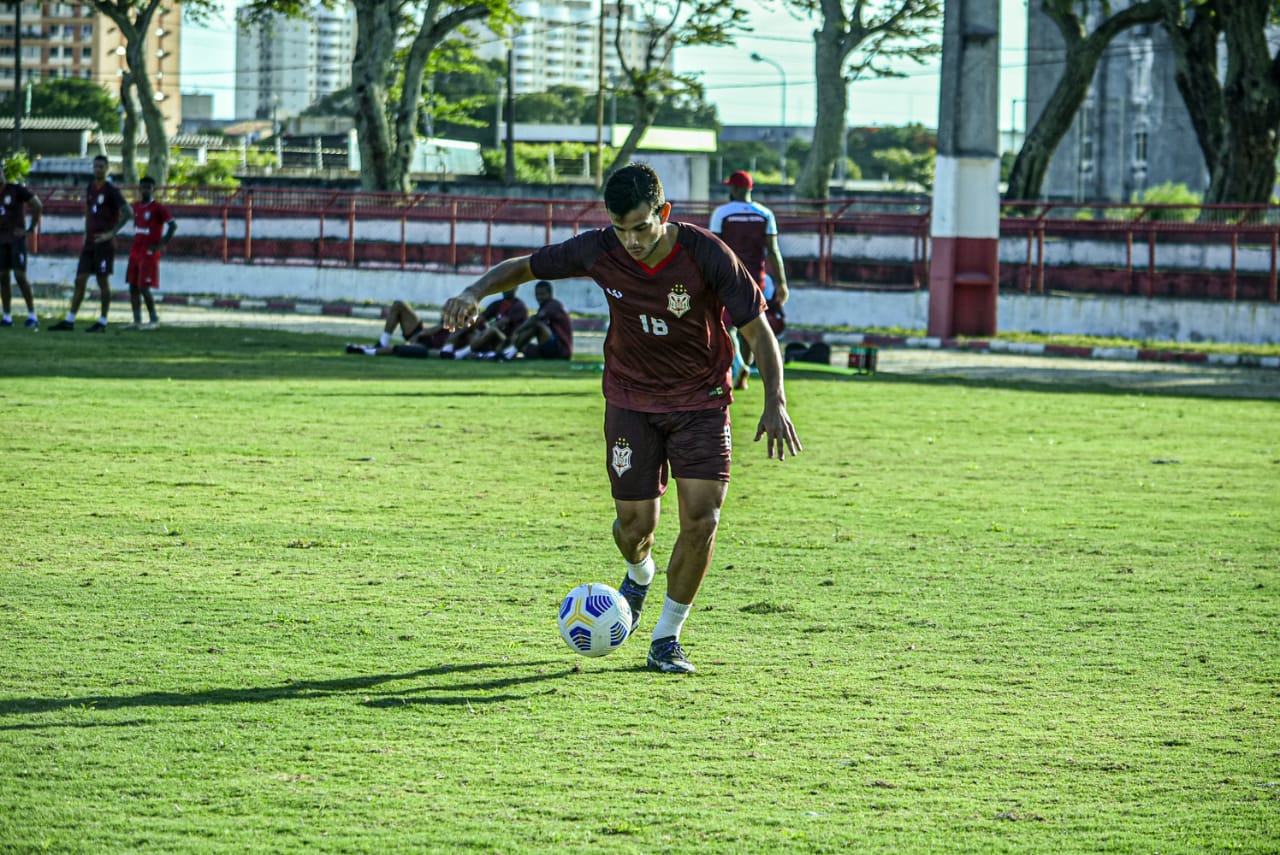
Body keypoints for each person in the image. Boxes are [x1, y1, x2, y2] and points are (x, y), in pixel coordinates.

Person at [442, 162, 801, 674]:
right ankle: (639, 573)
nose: (631, 241)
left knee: (703, 520)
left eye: (641, 227)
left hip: (700, 402)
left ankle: (666, 638)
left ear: (664, 212)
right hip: (631, 401)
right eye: (620, 229)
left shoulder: (706, 254)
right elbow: (525, 266)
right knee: (635, 528)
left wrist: (776, 399)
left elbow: (758, 331)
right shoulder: (599, 248)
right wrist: (473, 292)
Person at [709, 170, 789, 389]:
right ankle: (745, 375)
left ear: (734, 190)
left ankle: (739, 366)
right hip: (756, 277)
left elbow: (714, 247)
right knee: (752, 325)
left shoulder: (722, 213)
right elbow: (773, 250)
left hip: (728, 275)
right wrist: (782, 282)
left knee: (725, 325)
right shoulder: (765, 214)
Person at [50, 155, 132, 332]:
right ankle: (69, 320)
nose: (98, 170)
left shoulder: (111, 190)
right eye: (95, 167)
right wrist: (86, 230)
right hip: (90, 242)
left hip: (104, 243)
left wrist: (111, 233)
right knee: (80, 280)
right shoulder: (90, 188)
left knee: (103, 281)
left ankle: (102, 321)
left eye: (101, 167)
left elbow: (128, 212)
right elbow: (88, 209)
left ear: (107, 169)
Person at [125, 176, 176, 329]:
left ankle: (154, 319)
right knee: (133, 285)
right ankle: (136, 320)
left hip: (149, 252)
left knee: (143, 286)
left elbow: (173, 226)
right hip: (136, 251)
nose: (145, 190)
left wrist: (160, 245)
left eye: (148, 187)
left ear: (153, 189)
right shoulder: (136, 207)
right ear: (139, 188)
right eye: (143, 187)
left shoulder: (159, 208)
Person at [0, 172, 42, 330]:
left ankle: (32, 315)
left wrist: (31, 228)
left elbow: (37, 204)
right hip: (1, 241)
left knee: (20, 276)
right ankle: (7, 317)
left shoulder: (16, 189)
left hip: (16, 240)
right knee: (3, 277)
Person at [442, 288, 528, 360]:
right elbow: (481, 318)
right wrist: (469, 325)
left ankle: (459, 354)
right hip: (493, 338)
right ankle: (448, 347)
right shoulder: (498, 304)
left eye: (510, 287)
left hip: (506, 340)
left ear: (516, 288)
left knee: (492, 330)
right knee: (470, 329)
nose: (506, 290)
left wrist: (484, 331)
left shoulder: (518, 306)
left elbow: (502, 322)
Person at [345, 299, 452, 356]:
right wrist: (420, 334)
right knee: (398, 305)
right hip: (426, 336)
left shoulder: (463, 322)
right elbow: (439, 328)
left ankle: (365, 351)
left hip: (429, 347)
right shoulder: (452, 318)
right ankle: (382, 343)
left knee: (398, 349)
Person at [497, 281, 572, 361]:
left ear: (550, 294)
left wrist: (517, 331)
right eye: (537, 294)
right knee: (524, 346)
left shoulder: (553, 305)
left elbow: (535, 319)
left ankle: (508, 353)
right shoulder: (543, 307)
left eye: (542, 294)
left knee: (536, 324)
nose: (539, 297)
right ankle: (503, 353)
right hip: (547, 349)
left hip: (561, 350)